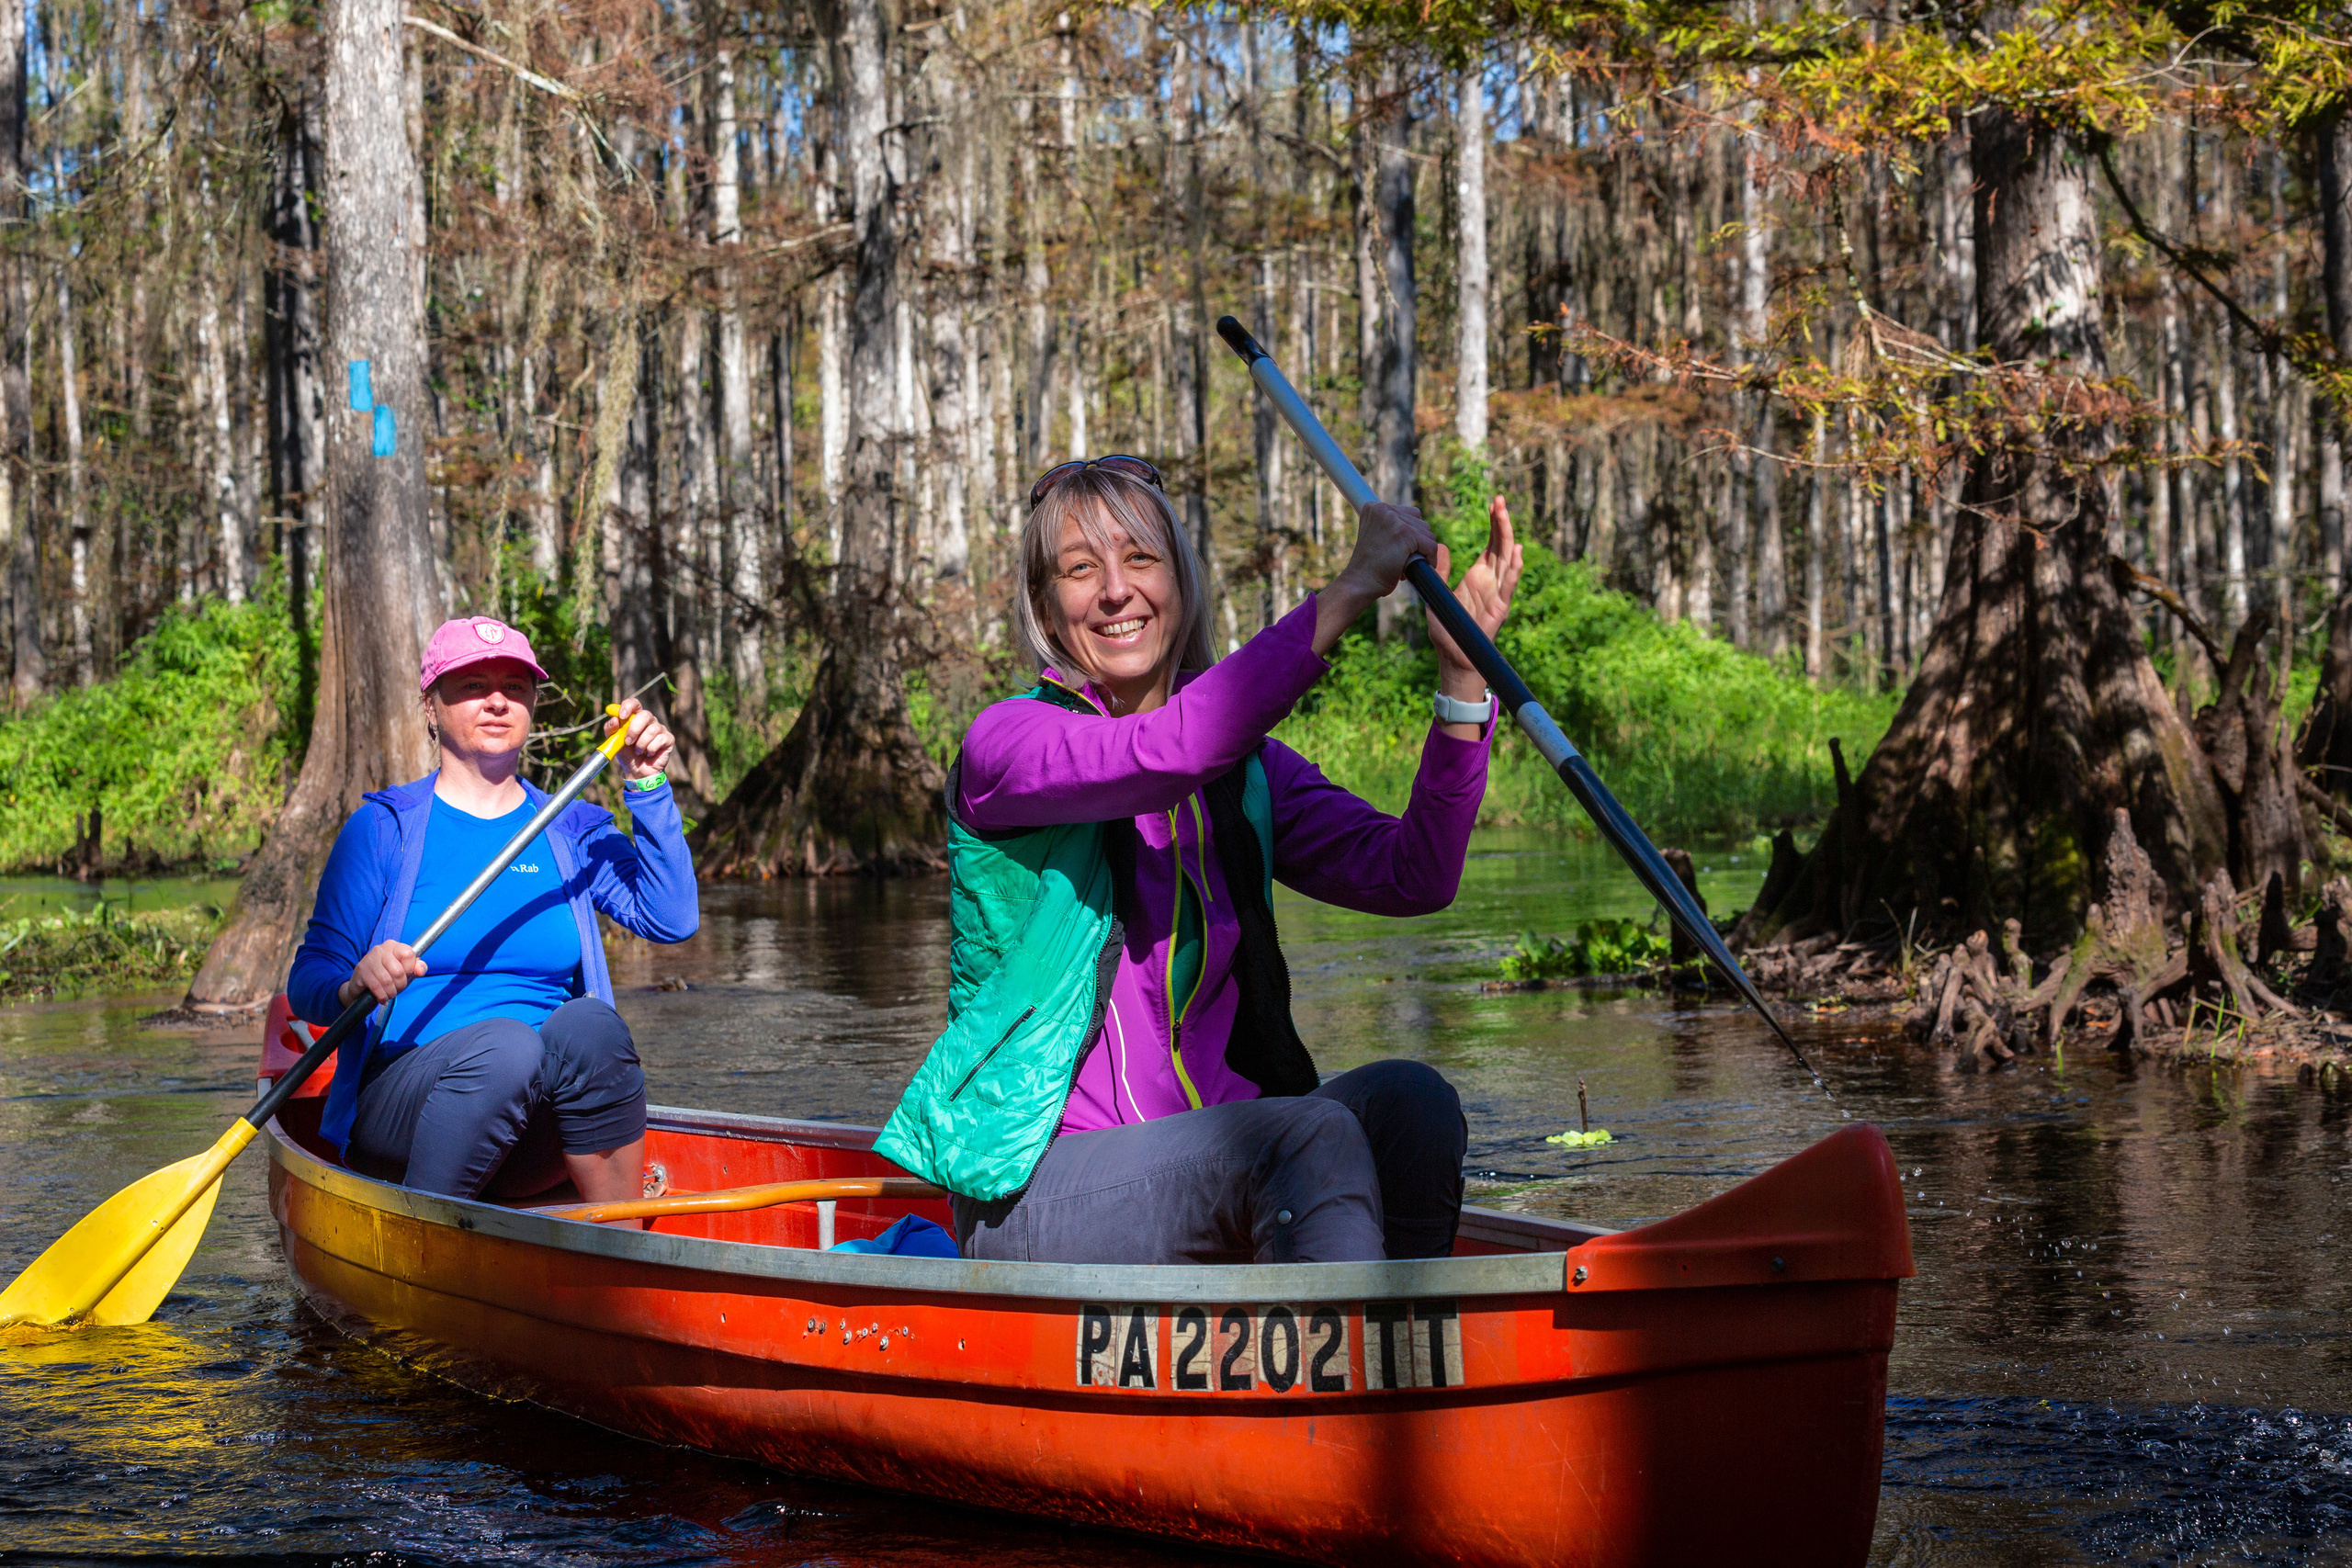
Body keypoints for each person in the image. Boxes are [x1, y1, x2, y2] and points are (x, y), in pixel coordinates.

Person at [876, 455, 1521, 1265]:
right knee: (1309, 1135)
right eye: (1081, 569)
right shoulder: (1008, 744)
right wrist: (1352, 587)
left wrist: (1463, 683)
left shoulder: (1251, 771)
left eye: (1140, 558)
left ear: (1180, 581)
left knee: (1413, 1104)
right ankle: (1343, 1380)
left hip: (1224, 1151)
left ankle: (1409, 1365)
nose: (1116, 590)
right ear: (1046, 603)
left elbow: (1414, 875)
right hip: (1039, 1189)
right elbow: (1168, 748)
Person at [287, 615, 699, 1201]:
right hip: (408, 1106)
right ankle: (428, 1240)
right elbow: (308, 982)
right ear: (431, 707)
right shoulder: (384, 829)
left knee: (591, 1026)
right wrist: (354, 985)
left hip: (540, 1121)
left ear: (533, 704)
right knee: (507, 1045)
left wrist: (649, 786)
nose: (498, 701)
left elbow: (671, 918)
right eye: (473, 686)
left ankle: (618, 1252)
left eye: (515, 687)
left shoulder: (570, 826)